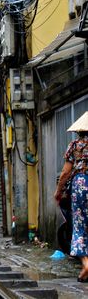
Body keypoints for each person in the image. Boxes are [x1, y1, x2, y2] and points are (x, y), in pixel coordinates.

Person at [54, 111, 88, 283]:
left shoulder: (75, 145)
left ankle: (86, 263)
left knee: (79, 224)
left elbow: (66, 172)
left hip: (81, 185)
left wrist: (58, 191)